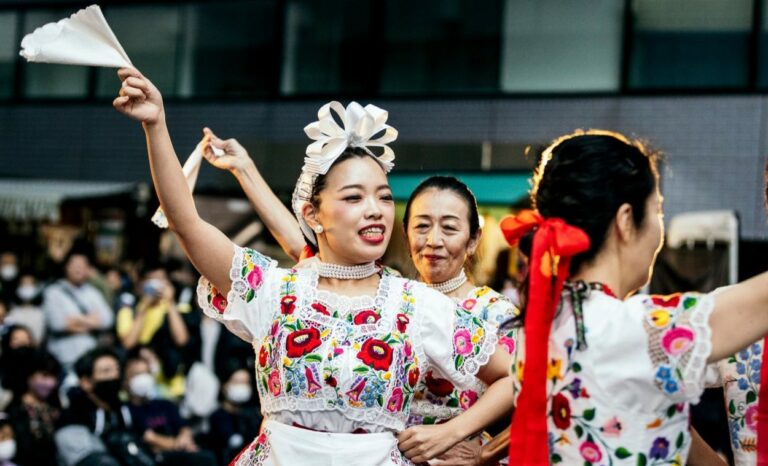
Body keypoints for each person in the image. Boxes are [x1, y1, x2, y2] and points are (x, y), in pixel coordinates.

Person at [114, 68, 512, 465]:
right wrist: (156, 125)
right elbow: (186, 221)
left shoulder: (417, 305)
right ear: (313, 214)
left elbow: (515, 376)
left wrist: (451, 434)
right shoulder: (273, 291)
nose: (375, 211)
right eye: (354, 198)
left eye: (385, 197)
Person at [488, 129, 768, 465]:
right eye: (657, 210)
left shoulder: (544, 324)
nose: (659, 229)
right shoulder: (635, 329)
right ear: (625, 220)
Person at [123, 354, 215, 466]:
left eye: (146, 373)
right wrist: (177, 445)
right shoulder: (126, 410)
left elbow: (183, 427)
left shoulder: (165, 404)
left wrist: (185, 438)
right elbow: (148, 437)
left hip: (179, 452)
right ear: (126, 381)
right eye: (137, 374)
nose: (143, 378)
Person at [117, 263, 190, 399]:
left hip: (170, 385)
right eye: (153, 279)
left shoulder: (176, 307)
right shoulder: (130, 308)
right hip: (138, 386)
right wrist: (144, 307)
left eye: (162, 279)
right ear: (140, 283)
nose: (158, 284)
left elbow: (181, 339)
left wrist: (170, 303)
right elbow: (128, 343)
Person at [43, 251, 114, 370]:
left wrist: (74, 320)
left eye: (82, 266)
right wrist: (92, 321)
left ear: (89, 269)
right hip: (62, 358)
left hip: (89, 357)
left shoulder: (93, 293)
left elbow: (108, 320)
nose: (78, 269)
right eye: (74, 265)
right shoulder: (53, 292)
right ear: (66, 267)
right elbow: (57, 324)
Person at [6, 349, 61, 466]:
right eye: (44, 375)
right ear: (29, 376)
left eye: (53, 377)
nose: (50, 382)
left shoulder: (56, 408)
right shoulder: (15, 410)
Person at [206, 367, 261, 466]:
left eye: (246, 382)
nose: (242, 387)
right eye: (237, 382)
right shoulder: (217, 417)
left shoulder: (254, 414)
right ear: (225, 386)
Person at [6, 272, 45, 345]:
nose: (27, 287)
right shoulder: (12, 312)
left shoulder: (40, 313)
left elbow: (40, 340)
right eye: (24, 284)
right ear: (18, 287)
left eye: (30, 284)